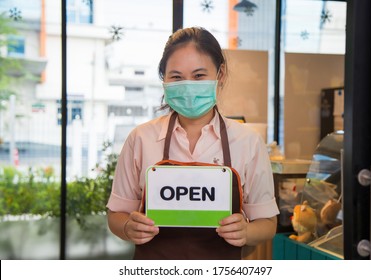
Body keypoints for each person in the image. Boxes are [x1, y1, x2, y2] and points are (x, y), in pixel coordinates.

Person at [106, 26, 279, 260]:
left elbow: (268, 223)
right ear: (164, 80)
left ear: (221, 75)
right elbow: (116, 215)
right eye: (176, 77)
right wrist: (128, 227)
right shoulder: (141, 139)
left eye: (199, 76)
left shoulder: (248, 142)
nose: (188, 86)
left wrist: (247, 231)